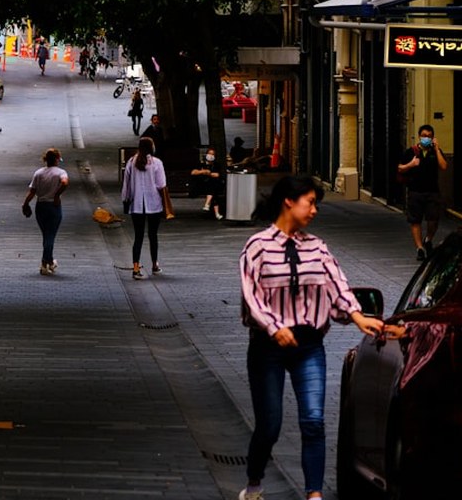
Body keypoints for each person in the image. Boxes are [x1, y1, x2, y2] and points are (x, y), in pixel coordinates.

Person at [238, 175, 385, 500]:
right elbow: (252, 297)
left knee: (314, 421)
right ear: (289, 202)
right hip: (267, 347)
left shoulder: (317, 248)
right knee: (270, 425)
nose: (314, 210)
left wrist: (359, 316)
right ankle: (254, 483)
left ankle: (314, 494)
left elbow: (337, 286)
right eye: (310, 202)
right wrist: (275, 327)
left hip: (308, 345)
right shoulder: (257, 247)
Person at [396, 123, 448, 260]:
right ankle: (419, 248)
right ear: (419, 136)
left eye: (429, 136)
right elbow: (400, 168)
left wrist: (437, 149)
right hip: (415, 191)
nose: (427, 138)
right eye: (424, 136)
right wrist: (411, 164)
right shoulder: (411, 152)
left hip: (432, 191)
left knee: (433, 220)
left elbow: (443, 166)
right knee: (415, 220)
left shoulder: (435, 152)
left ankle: (428, 239)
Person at [121, 136, 169, 280]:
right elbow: (161, 184)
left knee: (138, 237)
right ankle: (154, 264)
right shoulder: (156, 163)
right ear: (151, 147)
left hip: (136, 204)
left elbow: (126, 185)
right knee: (153, 235)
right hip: (154, 203)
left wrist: (125, 200)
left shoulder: (131, 162)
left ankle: (136, 267)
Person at [22, 148, 70, 275]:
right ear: (57, 159)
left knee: (46, 234)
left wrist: (25, 204)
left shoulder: (38, 173)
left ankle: (49, 261)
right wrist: (56, 195)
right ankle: (45, 263)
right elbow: (65, 183)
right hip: (54, 206)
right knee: (50, 235)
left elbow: (32, 192)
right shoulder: (61, 172)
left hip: (40, 206)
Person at [191, 147, 225, 220]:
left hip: (212, 185)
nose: (211, 156)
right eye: (209, 154)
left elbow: (218, 175)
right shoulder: (201, 163)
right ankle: (215, 212)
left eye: (213, 154)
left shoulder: (216, 165)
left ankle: (208, 205)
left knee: (213, 185)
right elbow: (193, 172)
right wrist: (203, 172)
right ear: (206, 154)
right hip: (201, 184)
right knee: (213, 188)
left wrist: (209, 174)